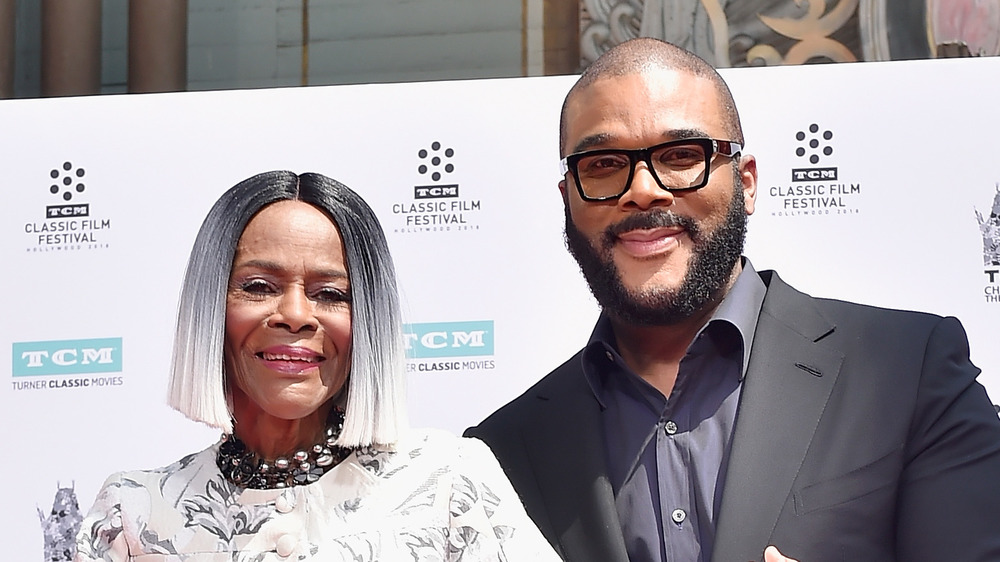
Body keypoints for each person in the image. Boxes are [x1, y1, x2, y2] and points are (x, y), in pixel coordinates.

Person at [466, 38, 1000, 562]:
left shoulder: (912, 370)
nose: (644, 189)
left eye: (681, 155)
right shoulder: (500, 454)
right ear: (568, 199)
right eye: (603, 164)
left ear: (746, 184)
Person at [75, 171, 560, 561]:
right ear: (210, 308)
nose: (295, 315)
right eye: (259, 286)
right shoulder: (134, 513)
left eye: (331, 295)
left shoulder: (450, 484)